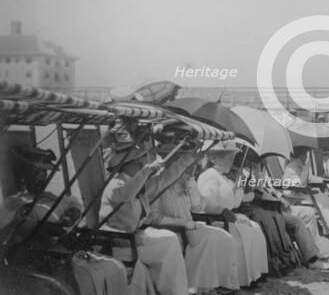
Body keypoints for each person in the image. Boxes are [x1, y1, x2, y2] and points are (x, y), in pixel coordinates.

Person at [100, 126, 190, 295]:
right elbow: (127, 194)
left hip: (134, 237)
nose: (143, 164)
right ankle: (174, 292)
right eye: (139, 163)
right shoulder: (114, 185)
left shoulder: (138, 183)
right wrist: (146, 171)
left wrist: (187, 159)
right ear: (126, 165)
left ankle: (174, 291)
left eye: (143, 162)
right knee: (169, 242)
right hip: (120, 241)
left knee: (170, 239)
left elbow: (164, 180)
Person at [155, 165, 241, 293]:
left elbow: (197, 207)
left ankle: (220, 283)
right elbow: (155, 217)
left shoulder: (186, 181)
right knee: (207, 238)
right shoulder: (159, 182)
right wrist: (182, 223)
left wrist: (192, 188)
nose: (189, 171)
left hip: (190, 226)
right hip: (173, 228)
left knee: (224, 237)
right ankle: (197, 286)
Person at [197, 146, 270, 286]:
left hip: (227, 216)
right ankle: (242, 277)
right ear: (215, 159)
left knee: (254, 227)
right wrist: (222, 211)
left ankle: (254, 274)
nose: (231, 162)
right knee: (245, 231)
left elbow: (235, 203)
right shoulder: (209, 175)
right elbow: (207, 204)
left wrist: (238, 187)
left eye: (232, 158)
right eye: (228, 158)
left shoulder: (223, 177)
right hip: (215, 218)